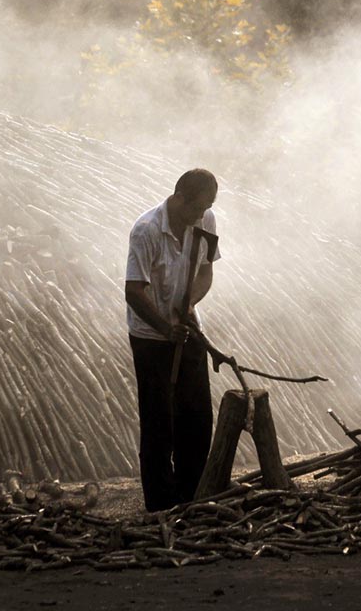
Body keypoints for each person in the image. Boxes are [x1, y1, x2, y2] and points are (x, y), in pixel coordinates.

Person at [124, 169, 222, 511]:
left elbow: (207, 272)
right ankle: (161, 506)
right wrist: (166, 329)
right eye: (197, 206)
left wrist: (189, 304)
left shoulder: (206, 220)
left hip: (187, 328)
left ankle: (191, 496)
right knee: (158, 422)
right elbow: (134, 291)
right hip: (151, 337)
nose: (202, 213)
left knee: (196, 417)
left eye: (207, 206)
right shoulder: (147, 231)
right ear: (179, 197)